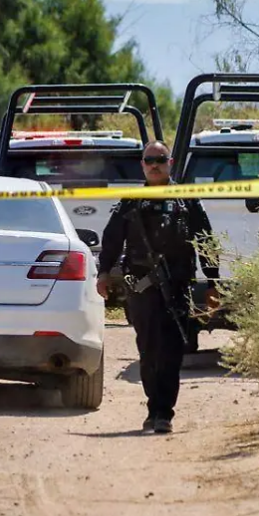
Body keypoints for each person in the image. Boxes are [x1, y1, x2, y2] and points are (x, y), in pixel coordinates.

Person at [96, 141, 220, 434]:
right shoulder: (131, 201)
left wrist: (213, 282)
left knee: (172, 350)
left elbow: (206, 241)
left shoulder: (186, 200)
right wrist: (103, 273)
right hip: (141, 288)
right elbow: (112, 239)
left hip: (178, 287)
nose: (154, 164)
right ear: (142, 165)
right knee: (148, 350)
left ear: (170, 162)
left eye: (160, 159)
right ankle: (154, 405)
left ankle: (164, 411)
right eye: (149, 160)